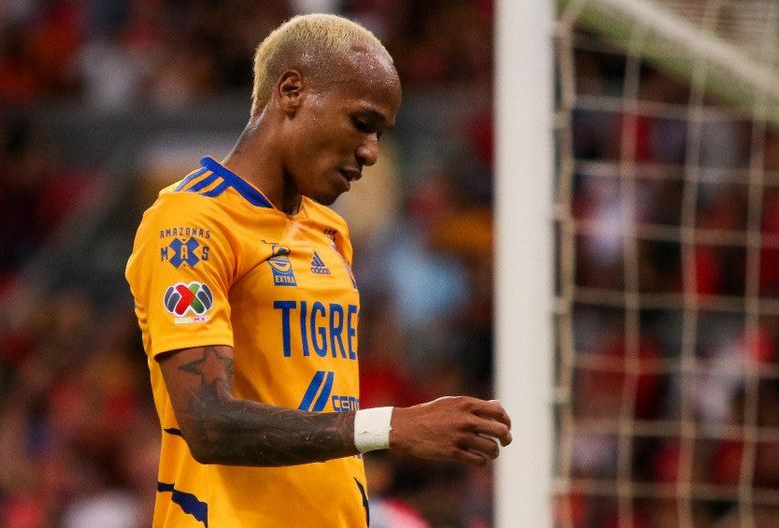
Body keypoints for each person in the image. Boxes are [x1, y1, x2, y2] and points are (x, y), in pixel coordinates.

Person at [125, 13, 512, 527]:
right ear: (291, 92)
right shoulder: (191, 224)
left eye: (380, 134)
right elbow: (207, 422)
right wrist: (388, 427)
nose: (371, 152)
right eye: (362, 123)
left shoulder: (329, 231)